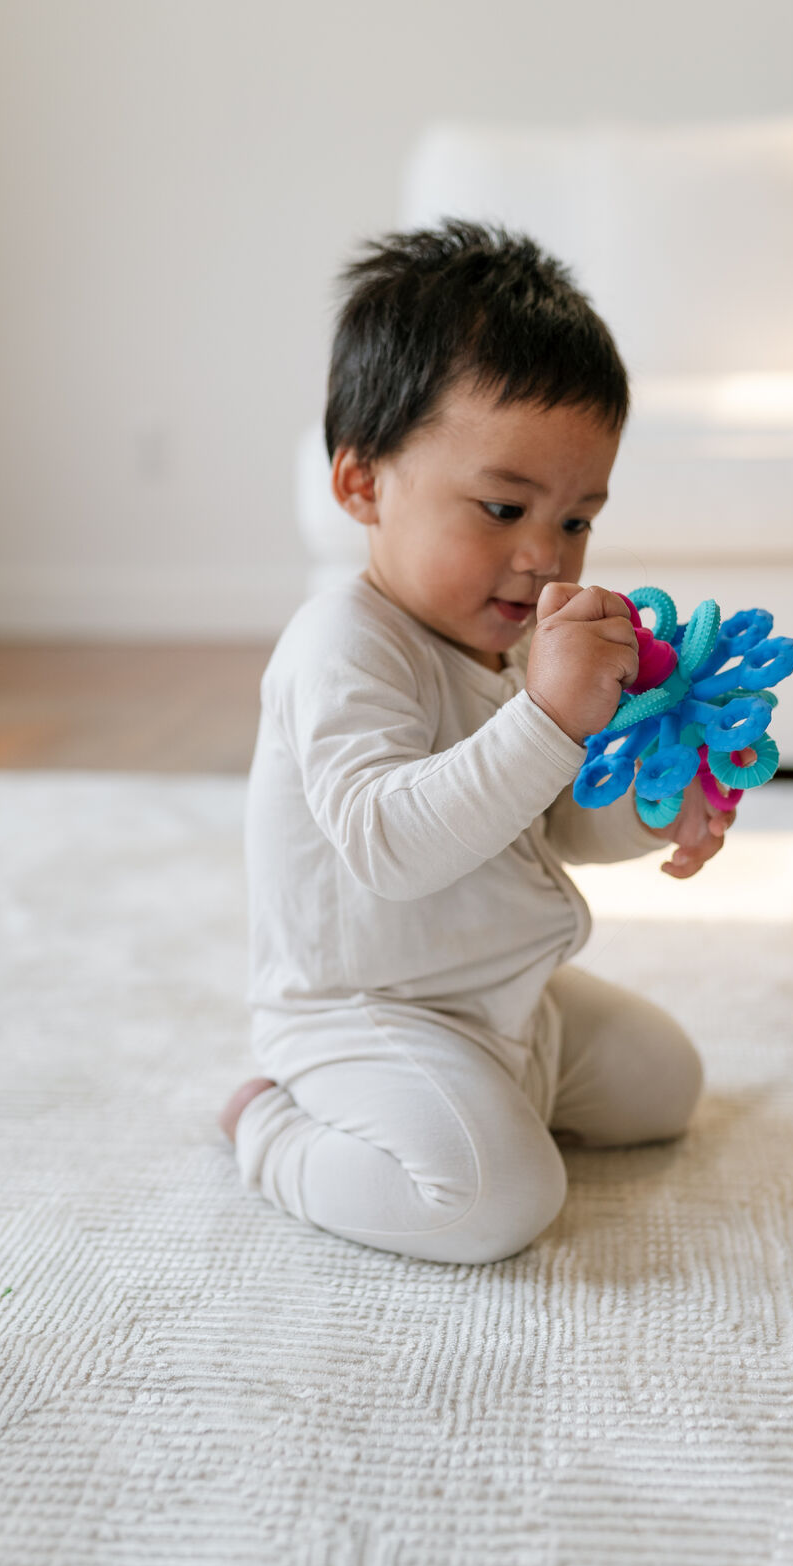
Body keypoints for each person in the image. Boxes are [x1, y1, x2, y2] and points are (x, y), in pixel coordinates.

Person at [218, 219, 742, 1266]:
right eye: (503, 507)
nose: (545, 557)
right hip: (370, 1009)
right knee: (496, 1202)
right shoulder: (343, 646)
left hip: (497, 993)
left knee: (664, 1084)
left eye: (577, 519)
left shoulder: (513, 645)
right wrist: (547, 718)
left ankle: (486, 1096)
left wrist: (653, 800)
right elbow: (388, 844)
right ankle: (266, 1122)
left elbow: (553, 822)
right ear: (362, 484)